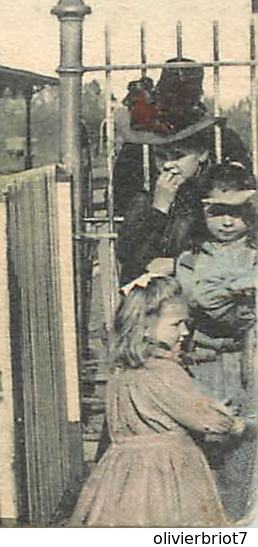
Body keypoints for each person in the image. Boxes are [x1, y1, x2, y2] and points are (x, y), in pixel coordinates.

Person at [70, 274, 246, 527]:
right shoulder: (165, 371)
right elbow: (209, 421)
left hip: (121, 474)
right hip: (167, 473)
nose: (185, 332)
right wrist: (235, 423)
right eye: (176, 324)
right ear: (144, 327)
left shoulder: (121, 373)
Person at [114, 58, 251, 281]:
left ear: (204, 153)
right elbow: (129, 254)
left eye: (178, 156)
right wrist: (160, 206)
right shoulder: (143, 182)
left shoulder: (221, 183)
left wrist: (181, 265)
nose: (168, 164)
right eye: (161, 155)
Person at [175, 163, 258, 521]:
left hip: (248, 360)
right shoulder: (192, 257)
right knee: (207, 438)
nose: (227, 223)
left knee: (245, 438)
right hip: (204, 360)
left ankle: (236, 521)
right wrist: (239, 288)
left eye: (237, 213)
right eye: (217, 212)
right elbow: (200, 300)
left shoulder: (254, 252)